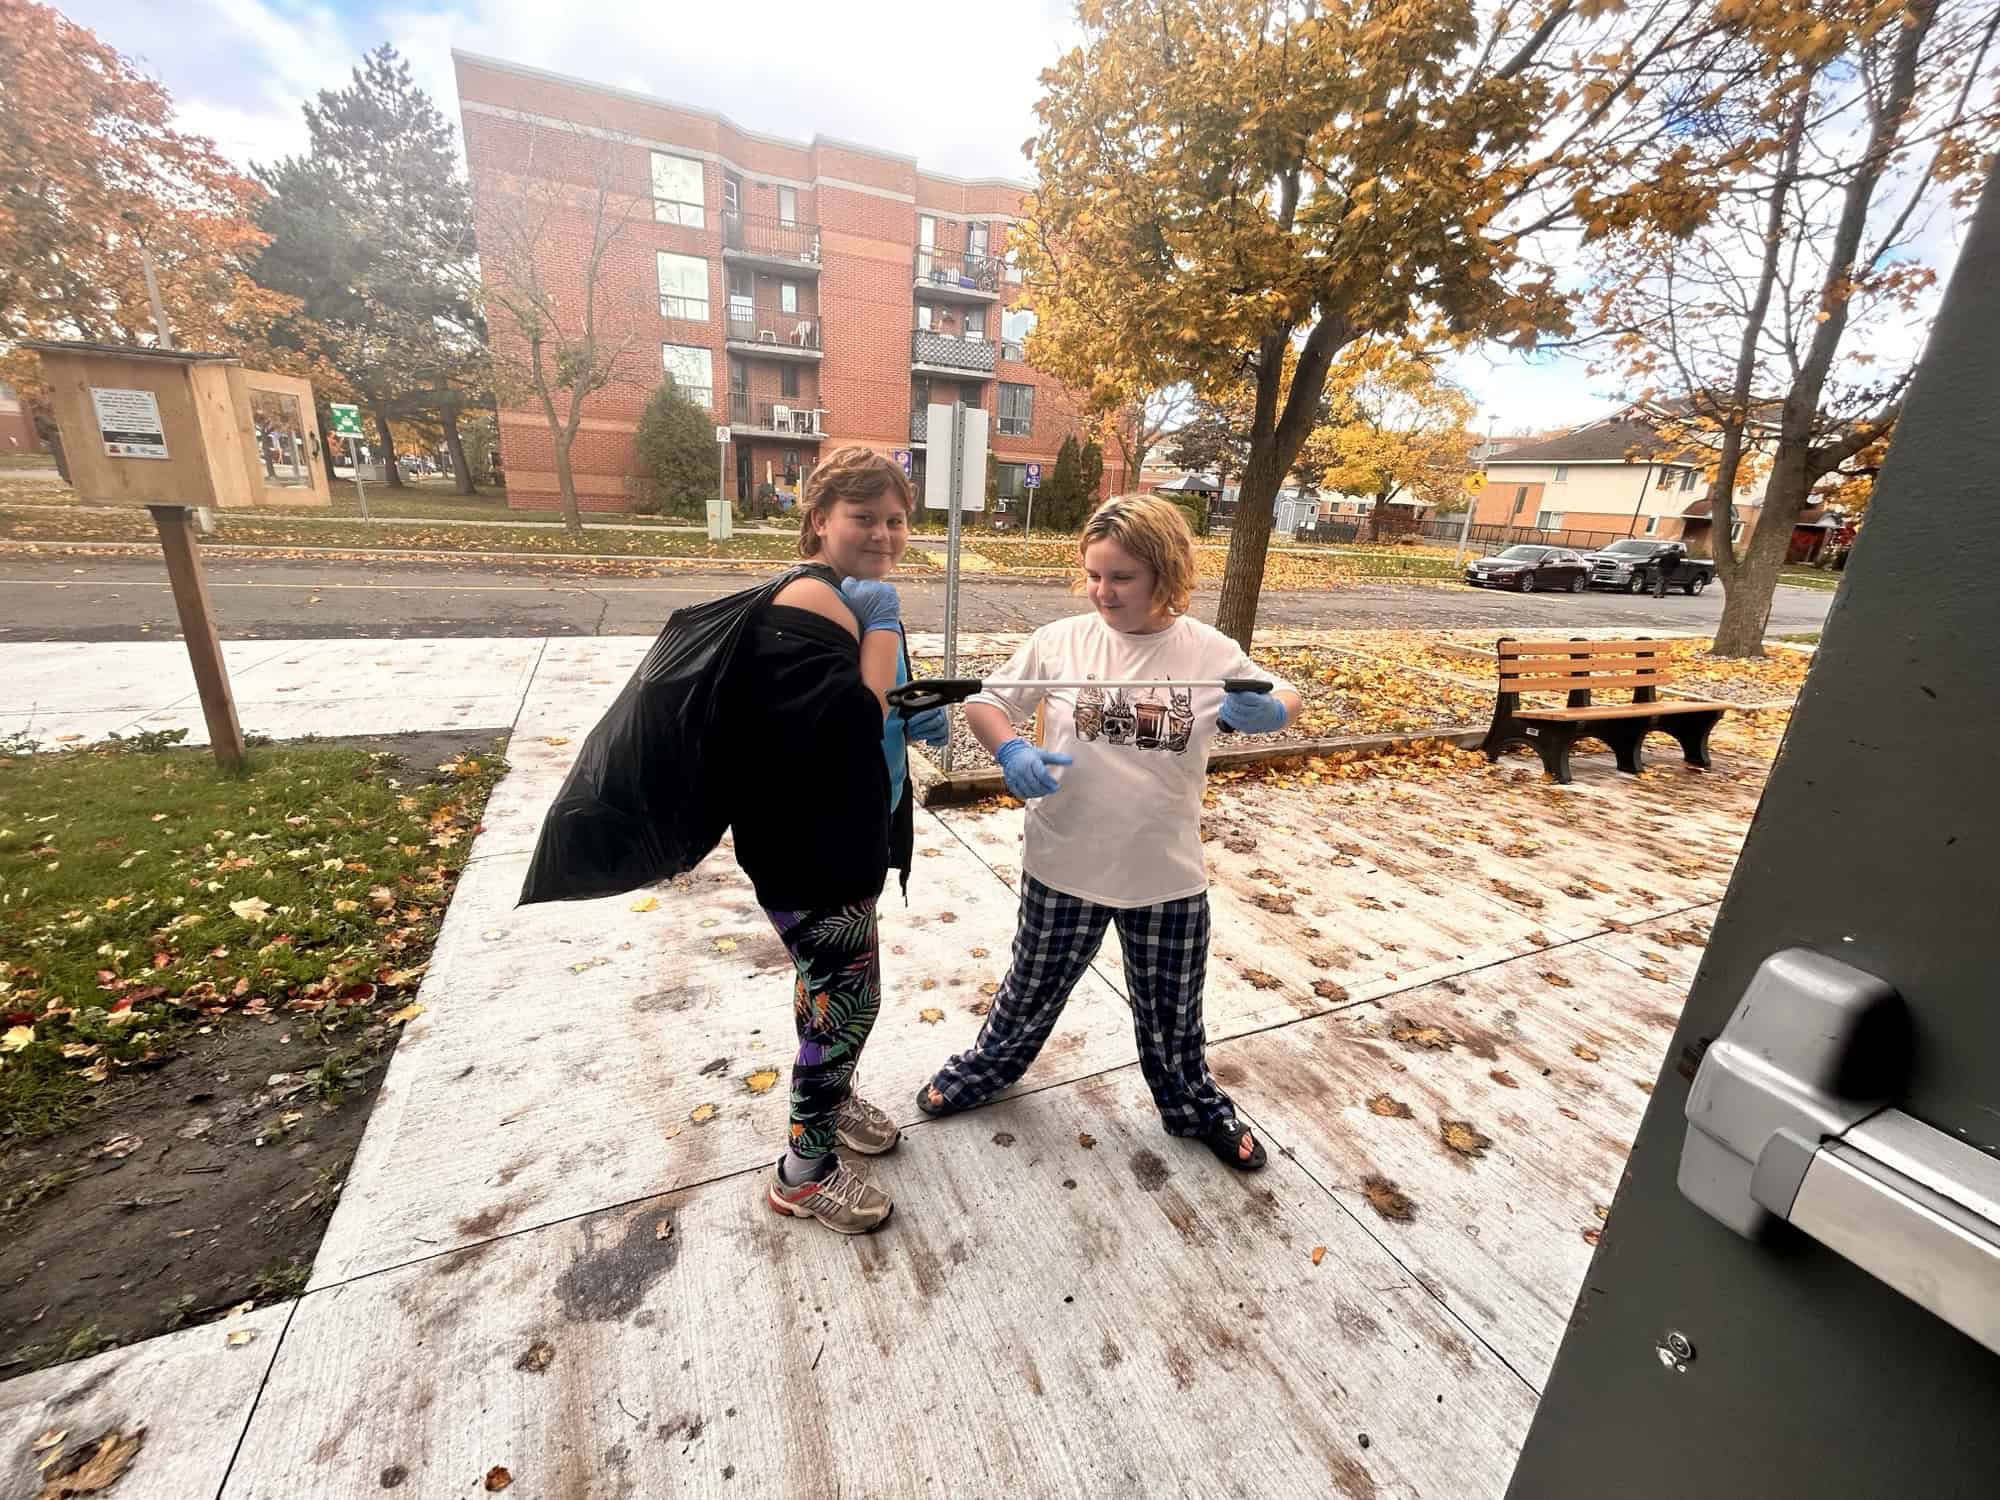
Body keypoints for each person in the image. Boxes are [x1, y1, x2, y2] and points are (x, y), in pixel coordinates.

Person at [917, 494, 1302, 1171]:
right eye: (1094, 575)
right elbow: (987, 702)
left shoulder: (1206, 648)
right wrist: (1010, 751)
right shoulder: (1061, 640)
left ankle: (1194, 1107)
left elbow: (1286, 696)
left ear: (1164, 571)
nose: (1103, 591)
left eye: (1121, 576)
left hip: (1164, 873)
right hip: (1063, 862)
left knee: (1173, 1013)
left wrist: (1268, 709)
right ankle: (985, 1070)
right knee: (1029, 989)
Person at [721, 446, 947, 1234]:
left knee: (826, 992)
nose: (884, 532)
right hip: (808, 851)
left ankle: (835, 1097)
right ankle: (803, 1171)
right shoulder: (811, 603)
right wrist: (881, 622)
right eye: (864, 517)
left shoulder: (845, 599)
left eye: (896, 519)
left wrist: (914, 701)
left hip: (839, 836)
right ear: (818, 520)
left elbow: (868, 709)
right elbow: (852, 726)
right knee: (850, 1002)